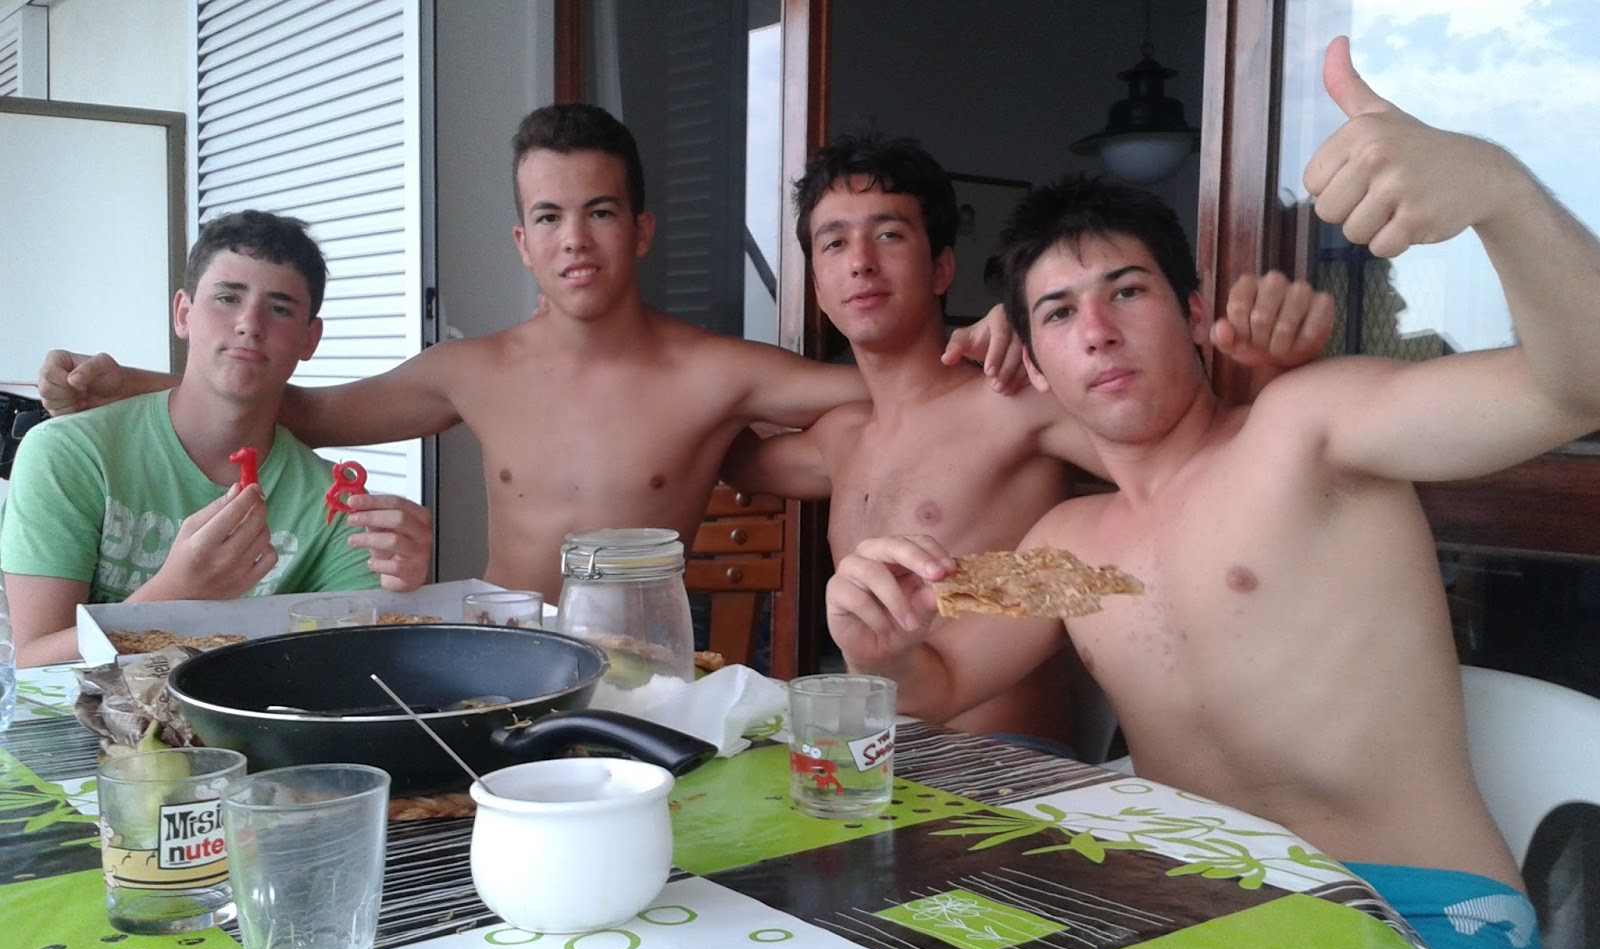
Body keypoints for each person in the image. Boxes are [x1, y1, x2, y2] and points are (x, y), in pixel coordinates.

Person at [824, 37, 1595, 949]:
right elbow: (936, 684)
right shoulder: (1070, 544)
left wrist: (1499, 193)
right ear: (1034, 366)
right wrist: (878, 645)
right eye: (1060, 313)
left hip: (1412, 913)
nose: (1098, 331)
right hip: (1194, 916)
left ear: (1193, 315)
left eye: (1127, 292)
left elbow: (1575, 389)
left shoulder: (1306, 432)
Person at [34, 104, 977, 603]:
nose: (576, 241)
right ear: (522, 243)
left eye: (600, 212)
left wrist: (997, 336)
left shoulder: (718, 372)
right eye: (549, 217)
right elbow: (307, 411)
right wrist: (133, 385)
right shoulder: (471, 371)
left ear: (640, 229)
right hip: (499, 655)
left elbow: (887, 392)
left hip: (637, 667)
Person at [723, 133, 1330, 744]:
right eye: (834, 243)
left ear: (942, 269)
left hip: (1007, 759)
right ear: (817, 285)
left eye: (889, 235)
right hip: (889, 745)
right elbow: (731, 456)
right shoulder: (839, 438)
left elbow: (1202, 463)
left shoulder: (1015, 399)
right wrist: (728, 376)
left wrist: (1045, 330)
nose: (860, 262)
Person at [2, 211, 434, 667]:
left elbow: (351, 668)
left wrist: (401, 594)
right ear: (183, 314)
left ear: (310, 339)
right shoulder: (68, 454)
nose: (250, 323)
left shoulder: (336, 506)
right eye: (228, 298)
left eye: (280, 308)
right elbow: (32, 661)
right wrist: (175, 593)